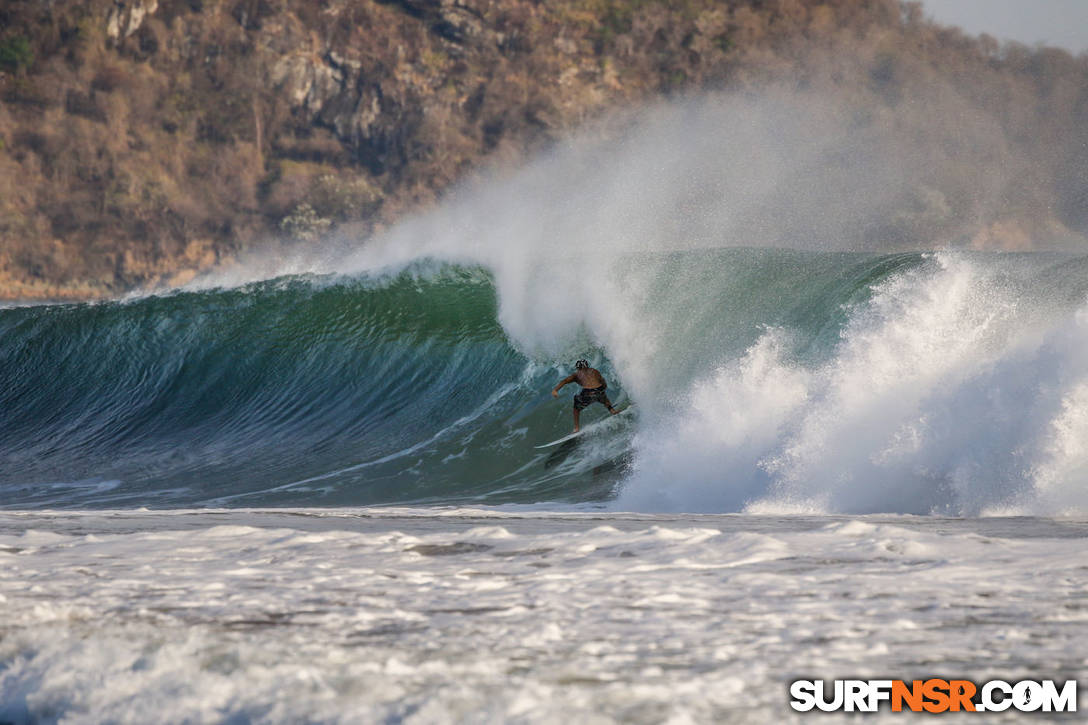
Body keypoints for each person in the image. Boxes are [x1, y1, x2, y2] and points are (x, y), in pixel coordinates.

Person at [551, 359, 618, 433]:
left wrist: (555, 390)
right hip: (599, 389)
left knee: (576, 405)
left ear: (578, 368)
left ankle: (576, 428)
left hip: (588, 392)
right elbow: (602, 381)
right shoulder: (594, 371)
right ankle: (612, 410)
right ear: (587, 366)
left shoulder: (576, 374)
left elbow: (564, 381)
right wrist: (603, 389)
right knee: (603, 397)